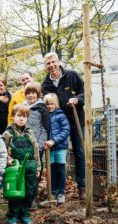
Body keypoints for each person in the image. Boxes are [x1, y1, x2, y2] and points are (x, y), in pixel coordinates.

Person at [40, 52, 86, 199]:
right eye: (48, 63)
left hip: (75, 120)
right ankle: (56, 190)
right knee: (55, 157)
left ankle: (82, 187)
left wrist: (77, 99)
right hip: (57, 127)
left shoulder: (72, 75)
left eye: (53, 62)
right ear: (45, 66)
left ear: (59, 62)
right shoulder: (45, 85)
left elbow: (86, 93)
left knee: (79, 152)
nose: (51, 65)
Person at [2, 104, 40, 224]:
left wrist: (38, 167)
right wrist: (8, 160)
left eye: (24, 116)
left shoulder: (29, 133)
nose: (21, 119)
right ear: (13, 116)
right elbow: (2, 149)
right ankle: (12, 215)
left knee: (30, 191)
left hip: (30, 166)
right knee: (16, 191)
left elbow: (35, 149)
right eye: (18, 116)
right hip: (16, 167)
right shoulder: (8, 133)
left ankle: (24, 214)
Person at [23, 82, 51, 210]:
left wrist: (39, 146)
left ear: (38, 94)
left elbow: (45, 129)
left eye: (33, 93)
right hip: (22, 146)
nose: (30, 95)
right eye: (28, 93)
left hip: (36, 147)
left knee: (33, 173)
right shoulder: (22, 107)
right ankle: (21, 198)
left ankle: (31, 200)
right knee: (22, 171)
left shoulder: (42, 108)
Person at [43, 93, 70, 204]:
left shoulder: (61, 115)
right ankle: (52, 191)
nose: (50, 106)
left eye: (52, 104)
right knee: (51, 170)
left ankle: (61, 193)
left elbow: (65, 131)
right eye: (47, 104)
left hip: (60, 147)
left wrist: (54, 141)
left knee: (60, 169)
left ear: (56, 104)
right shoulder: (44, 116)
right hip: (49, 149)